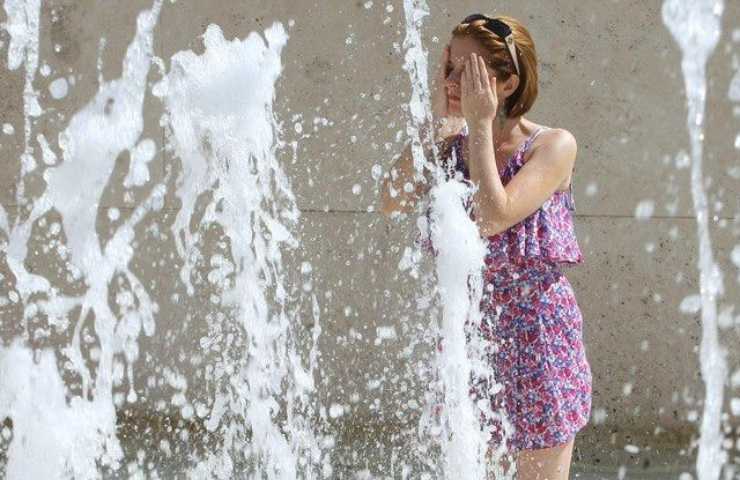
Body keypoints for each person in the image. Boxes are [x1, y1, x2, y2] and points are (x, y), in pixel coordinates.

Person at [380, 13, 593, 480]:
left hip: (538, 338)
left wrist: (479, 124)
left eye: (469, 73)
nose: (455, 81)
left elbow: (491, 216)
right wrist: (441, 119)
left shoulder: (552, 147)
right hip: (472, 333)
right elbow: (390, 200)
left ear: (509, 81)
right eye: (450, 69)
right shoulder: (449, 143)